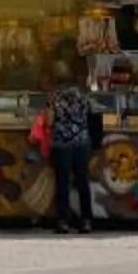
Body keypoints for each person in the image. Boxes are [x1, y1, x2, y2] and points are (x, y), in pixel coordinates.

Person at [49, 66, 95, 234]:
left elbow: (49, 120)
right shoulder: (83, 96)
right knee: (82, 181)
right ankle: (86, 221)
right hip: (81, 142)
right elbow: (92, 115)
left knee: (63, 183)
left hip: (62, 143)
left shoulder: (55, 96)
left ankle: (63, 221)